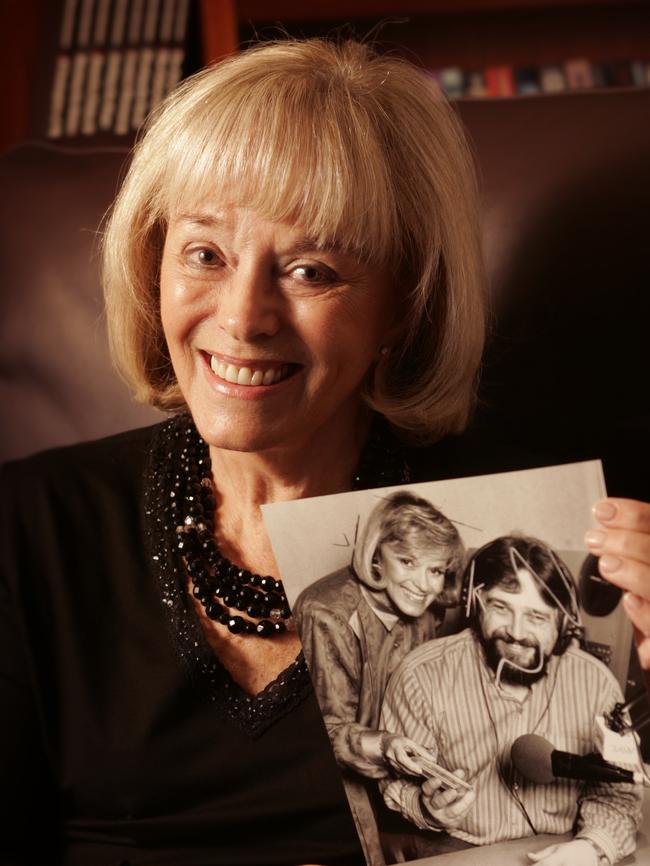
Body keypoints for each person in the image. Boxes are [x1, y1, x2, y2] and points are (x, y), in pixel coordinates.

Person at [1, 34, 649, 866]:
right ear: (151, 263)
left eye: (310, 271)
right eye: (205, 254)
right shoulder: (31, 525)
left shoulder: (531, 535)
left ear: (403, 307)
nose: (242, 317)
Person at [380, 535, 643, 866]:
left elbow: (618, 792)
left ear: (563, 624)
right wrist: (425, 807)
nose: (516, 632)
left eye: (536, 617)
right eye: (500, 607)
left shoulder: (596, 684)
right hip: (457, 846)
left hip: (566, 846)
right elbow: (394, 782)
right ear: (476, 604)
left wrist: (592, 847)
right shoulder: (421, 675)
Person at [294, 490, 464, 861]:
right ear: (376, 556)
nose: (424, 585)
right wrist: (387, 745)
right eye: (407, 562)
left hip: (399, 769)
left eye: (435, 570)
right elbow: (328, 731)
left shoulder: (428, 611)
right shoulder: (326, 612)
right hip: (333, 779)